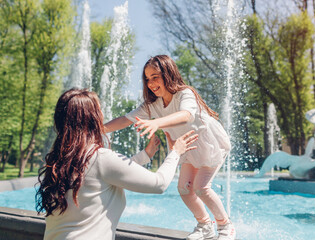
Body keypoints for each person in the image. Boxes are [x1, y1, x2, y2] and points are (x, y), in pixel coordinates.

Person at [36, 88, 198, 240]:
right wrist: (175, 152)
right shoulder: (99, 157)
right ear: (93, 119)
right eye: (99, 111)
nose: (102, 114)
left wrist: (145, 156)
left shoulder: (60, 160)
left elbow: (107, 176)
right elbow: (159, 184)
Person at [105, 55, 235, 240]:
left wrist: (156, 123)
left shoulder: (185, 93)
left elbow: (186, 115)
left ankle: (225, 226)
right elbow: (125, 120)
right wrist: (100, 128)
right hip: (187, 147)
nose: (151, 83)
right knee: (183, 188)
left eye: (155, 76)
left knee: (201, 188)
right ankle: (205, 225)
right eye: (147, 79)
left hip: (208, 144)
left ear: (168, 74)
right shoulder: (152, 105)